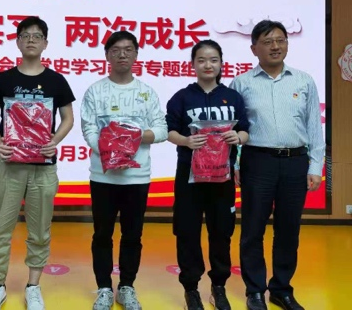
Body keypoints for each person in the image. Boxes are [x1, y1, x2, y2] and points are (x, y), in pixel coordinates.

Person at [0, 16, 75, 310]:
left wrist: (55, 140)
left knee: (40, 230)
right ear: (17, 41)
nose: (31, 40)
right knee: (1, 229)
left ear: (45, 43)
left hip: (42, 167)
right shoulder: (4, 79)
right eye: (25, 35)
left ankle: (33, 286)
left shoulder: (56, 81)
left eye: (37, 36)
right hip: (8, 164)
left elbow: (68, 118)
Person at [229, 20, 324, 310]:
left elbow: (314, 127)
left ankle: (281, 289)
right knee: (253, 229)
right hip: (257, 162)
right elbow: (234, 128)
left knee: (288, 230)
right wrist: (235, 164)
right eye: (268, 41)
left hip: (295, 162)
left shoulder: (303, 81)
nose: (275, 46)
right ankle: (255, 291)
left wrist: (315, 167)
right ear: (253, 48)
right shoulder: (241, 83)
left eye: (281, 40)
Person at [80, 31, 168, 310]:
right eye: (116, 50)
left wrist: (134, 139)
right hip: (103, 176)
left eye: (128, 49)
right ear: (107, 55)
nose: (122, 55)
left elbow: (162, 129)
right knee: (102, 235)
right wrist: (110, 150)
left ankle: (127, 287)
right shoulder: (95, 91)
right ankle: (104, 289)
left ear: (136, 55)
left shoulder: (146, 92)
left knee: (132, 235)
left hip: (136, 177)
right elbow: (88, 129)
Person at [166, 39, 249, 310]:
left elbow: (246, 129)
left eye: (213, 59)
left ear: (221, 63)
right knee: (187, 232)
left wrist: (238, 137)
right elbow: (169, 131)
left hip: (222, 177)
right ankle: (191, 289)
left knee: (221, 232)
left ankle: (219, 286)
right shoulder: (182, 97)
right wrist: (186, 141)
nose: (207, 65)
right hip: (189, 177)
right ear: (193, 64)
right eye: (201, 60)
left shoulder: (233, 97)